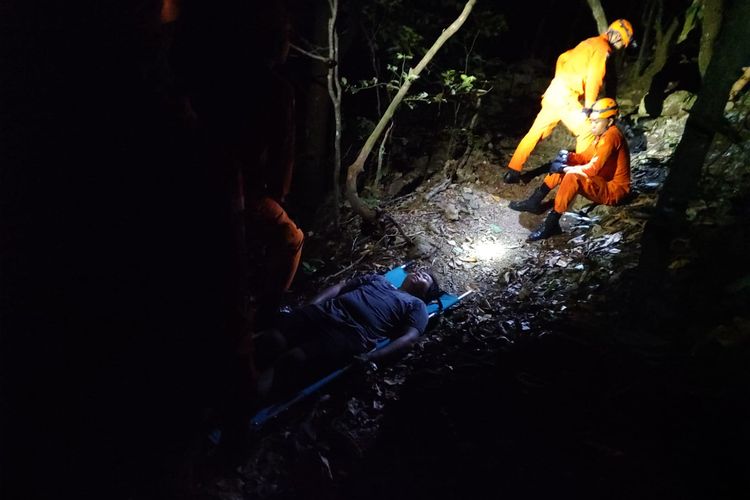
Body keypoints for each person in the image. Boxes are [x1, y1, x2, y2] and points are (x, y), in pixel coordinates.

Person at [251, 269, 442, 402]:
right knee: (272, 339)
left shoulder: (417, 306)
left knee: (292, 359)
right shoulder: (379, 280)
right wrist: (312, 304)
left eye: (425, 277)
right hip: (324, 312)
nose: (419, 273)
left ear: (427, 293)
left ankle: (249, 402)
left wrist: (372, 357)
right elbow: (340, 288)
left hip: (350, 333)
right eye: (419, 271)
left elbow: (408, 338)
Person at [502, 19, 634, 184]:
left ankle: (513, 171)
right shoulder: (603, 49)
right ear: (619, 38)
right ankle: (580, 176)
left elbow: (562, 57)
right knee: (587, 129)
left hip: (554, 92)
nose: (622, 47)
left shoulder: (589, 42)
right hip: (566, 98)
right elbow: (595, 78)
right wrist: (589, 106)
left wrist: (562, 79)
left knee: (535, 133)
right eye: (624, 43)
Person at [508, 97, 631, 241]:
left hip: (614, 190)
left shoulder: (610, 137)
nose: (592, 126)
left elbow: (593, 169)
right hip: (603, 180)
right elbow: (586, 156)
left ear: (609, 121)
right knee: (564, 167)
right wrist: (568, 157)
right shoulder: (602, 134)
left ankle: (551, 224)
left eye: (596, 122)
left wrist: (565, 168)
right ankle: (534, 201)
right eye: (591, 121)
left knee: (572, 175)